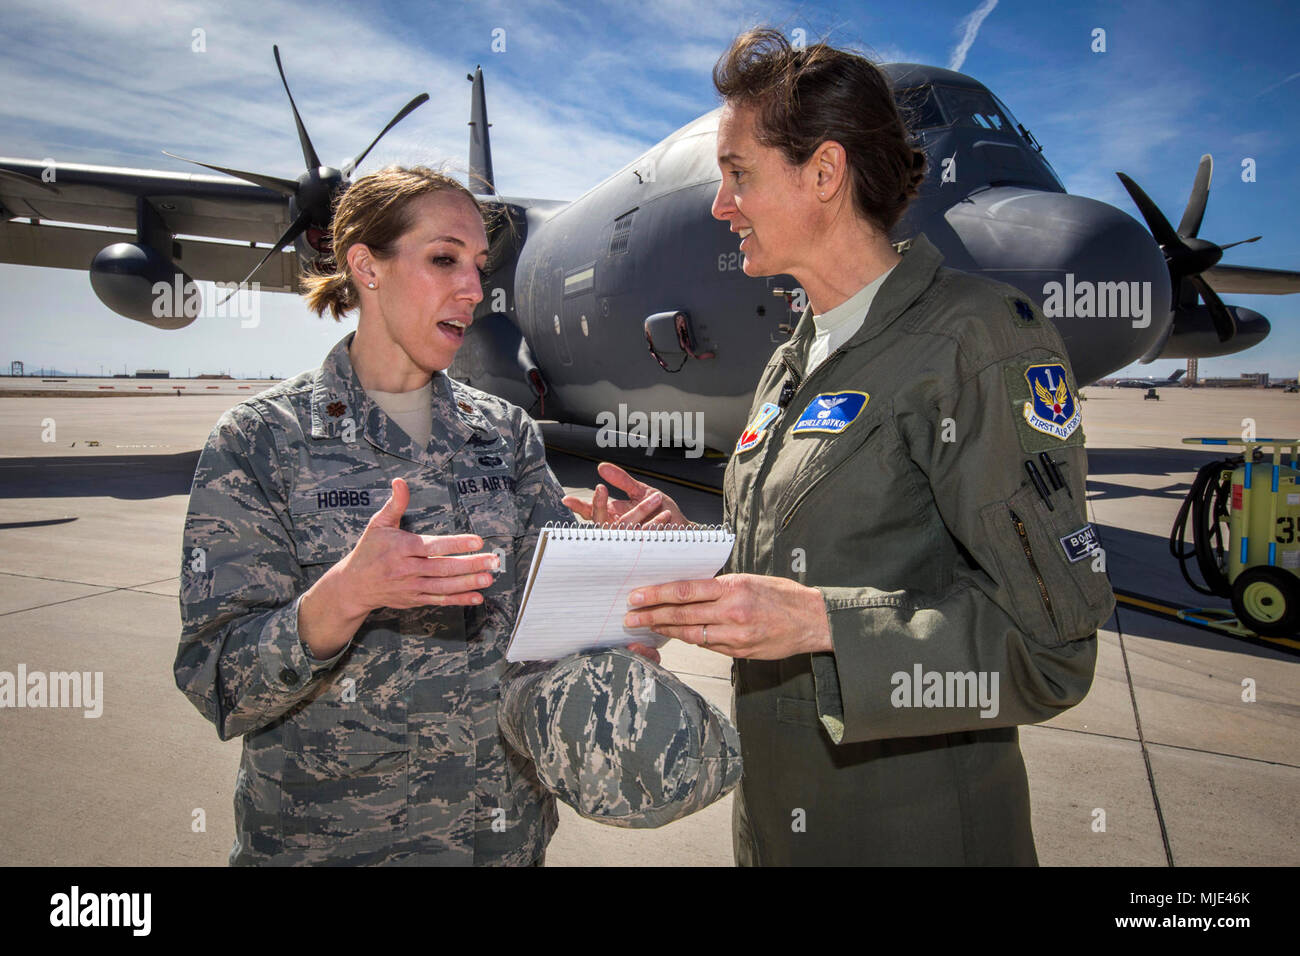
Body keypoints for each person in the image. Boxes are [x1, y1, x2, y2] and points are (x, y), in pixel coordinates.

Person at [567, 29, 1116, 865]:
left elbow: (1051, 653)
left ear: (824, 174)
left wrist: (824, 626)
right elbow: (809, 562)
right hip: (782, 826)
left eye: (739, 174)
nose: (721, 204)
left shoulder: (975, 341)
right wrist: (693, 554)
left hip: (912, 836)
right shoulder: (795, 358)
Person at [172, 165, 674, 865]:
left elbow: (545, 624)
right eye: (443, 259)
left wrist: (625, 570)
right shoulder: (260, 439)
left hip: (498, 840)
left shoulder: (506, 432)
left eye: (477, 265)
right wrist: (341, 601)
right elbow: (216, 680)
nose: (473, 288)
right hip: (331, 846)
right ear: (364, 267)